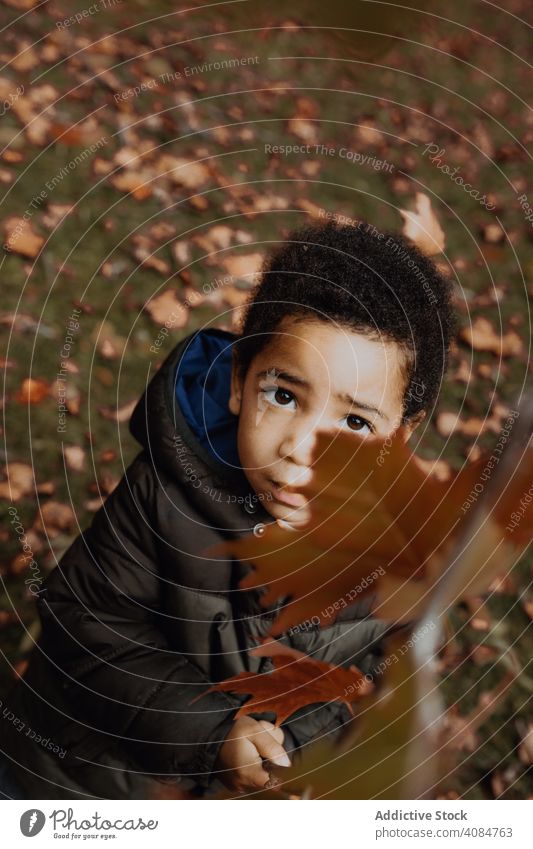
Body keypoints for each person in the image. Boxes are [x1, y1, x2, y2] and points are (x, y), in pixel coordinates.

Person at [0, 220, 456, 799]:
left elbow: (369, 673)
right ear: (240, 380)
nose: (301, 447)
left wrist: (285, 749)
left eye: (355, 422)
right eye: (285, 396)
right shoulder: (167, 492)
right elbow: (84, 623)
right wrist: (213, 733)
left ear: (399, 436)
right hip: (71, 778)